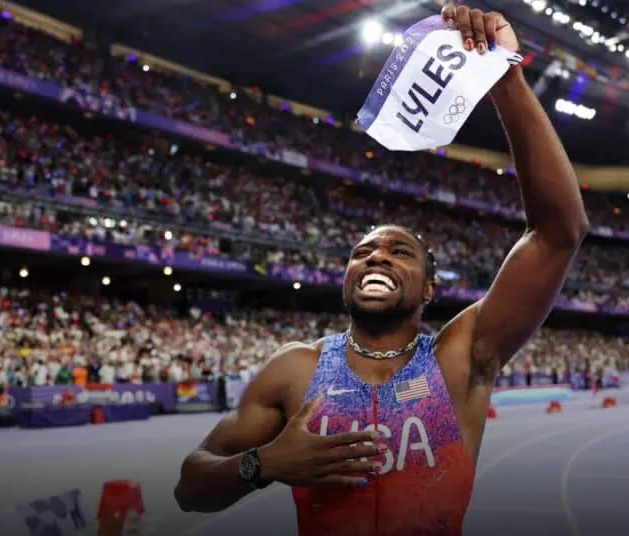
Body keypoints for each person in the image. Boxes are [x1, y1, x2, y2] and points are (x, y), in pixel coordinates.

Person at [173, 4, 589, 536]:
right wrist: (263, 464)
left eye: (400, 252)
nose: (377, 257)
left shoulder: (462, 357)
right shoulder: (295, 369)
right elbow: (190, 488)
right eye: (364, 252)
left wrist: (505, 76)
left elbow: (558, 232)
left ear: (429, 289)